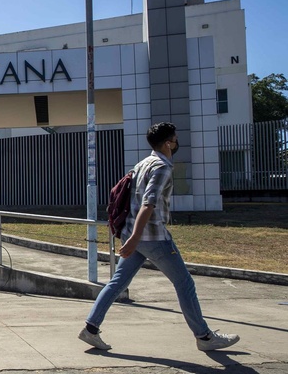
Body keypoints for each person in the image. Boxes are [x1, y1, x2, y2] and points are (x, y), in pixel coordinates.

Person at [78, 122, 240, 352]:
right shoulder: (162, 166)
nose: (176, 142)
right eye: (174, 139)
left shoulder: (142, 163)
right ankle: (204, 337)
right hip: (153, 237)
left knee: (117, 283)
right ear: (167, 143)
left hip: (133, 235)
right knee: (184, 283)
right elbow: (149, 202)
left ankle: (90, 329)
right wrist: (135, 238)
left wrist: (132, 238)